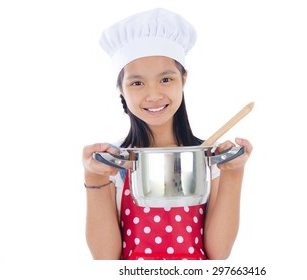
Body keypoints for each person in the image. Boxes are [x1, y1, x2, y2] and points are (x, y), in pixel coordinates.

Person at [82, 8, 253, 260]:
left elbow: (219, 253)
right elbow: (105, 259)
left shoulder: (208, 158)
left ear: (183, 79)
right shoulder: (114, 161)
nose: (153, 95)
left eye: (165, 79)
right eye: (137, 83)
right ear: (121, 89)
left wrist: (234, 173)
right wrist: (93, 177)